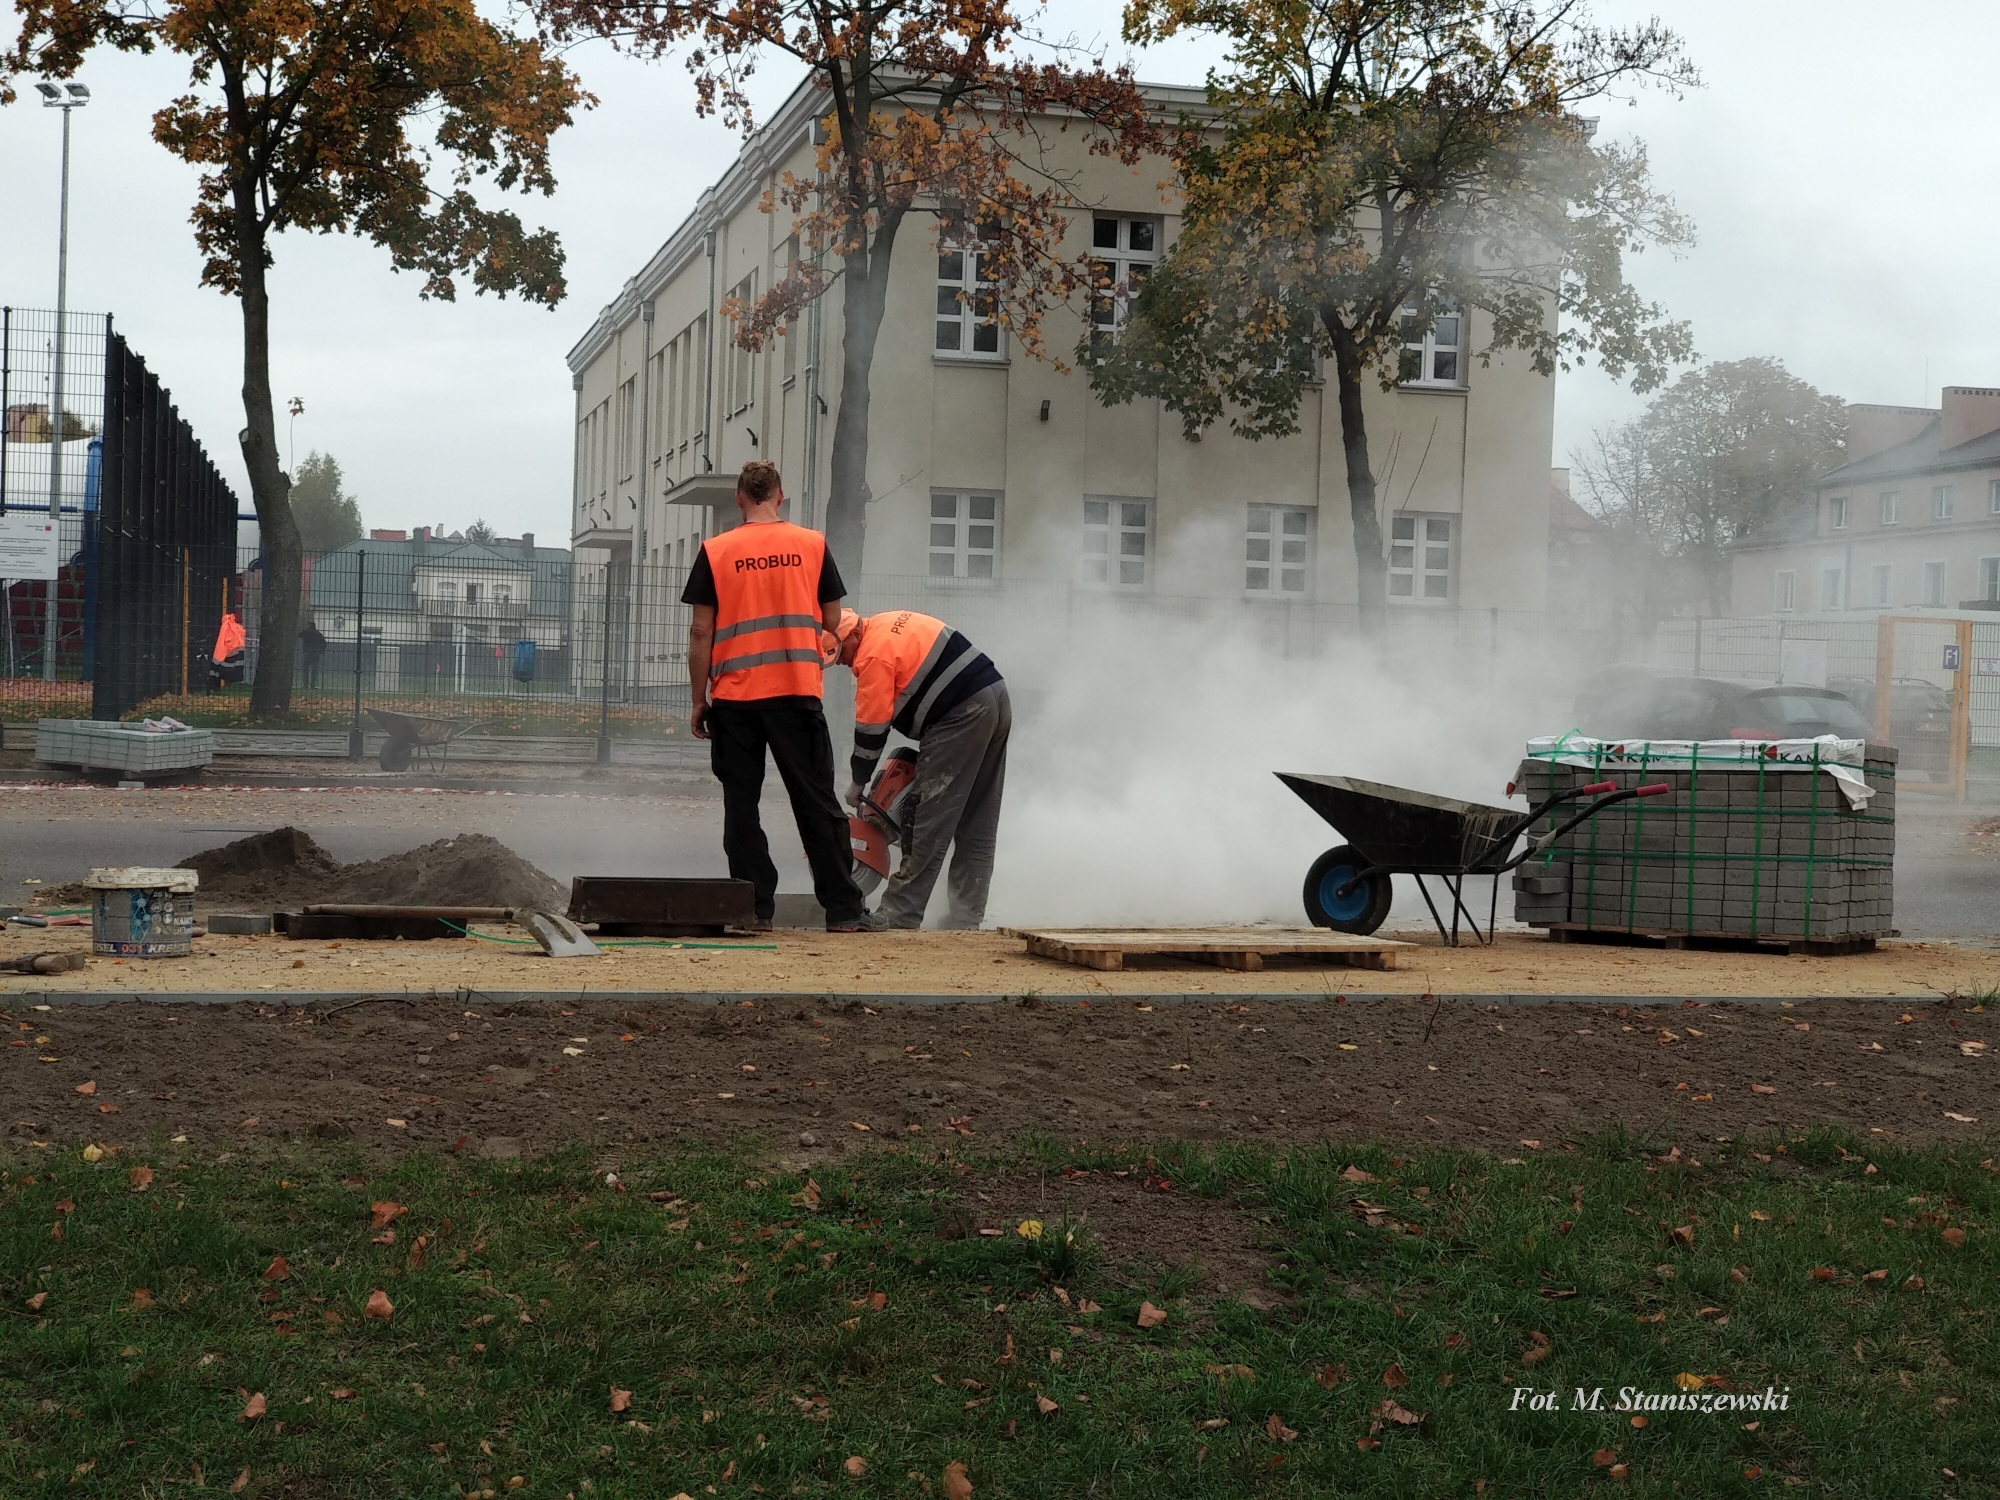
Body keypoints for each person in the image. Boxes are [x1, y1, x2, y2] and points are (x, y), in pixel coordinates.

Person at [682, 461, 867, 931]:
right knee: (815, 801)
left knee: (741, 806)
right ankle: (844, 911)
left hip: (735, 699)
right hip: (795, 693)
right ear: (780, 497)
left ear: (739, 499)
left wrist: (698, 698)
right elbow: (831, 620)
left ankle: (752, 909)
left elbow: (701, 629)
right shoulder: (811, 544)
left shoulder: (716, 551)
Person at [832, 607, 1008, 929]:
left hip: (961, 713)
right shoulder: (890, 621)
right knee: (977, 818)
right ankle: (965, 917)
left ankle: (899, 914)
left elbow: (871, 729)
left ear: (854, 634)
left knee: (929, 818)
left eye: (839, 651)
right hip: (995, 695)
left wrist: (858, 782)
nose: (841, 661)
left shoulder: (872, 656)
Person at [299, 620, 328, 690]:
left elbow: (299, 635)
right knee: (314, 670)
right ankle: (312, 685)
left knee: (305, 669)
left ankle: (305, 685)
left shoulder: (305, 632)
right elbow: (324, 643)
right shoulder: (318, 634)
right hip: (315, 653)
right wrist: (320, 651)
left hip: (307, 653)